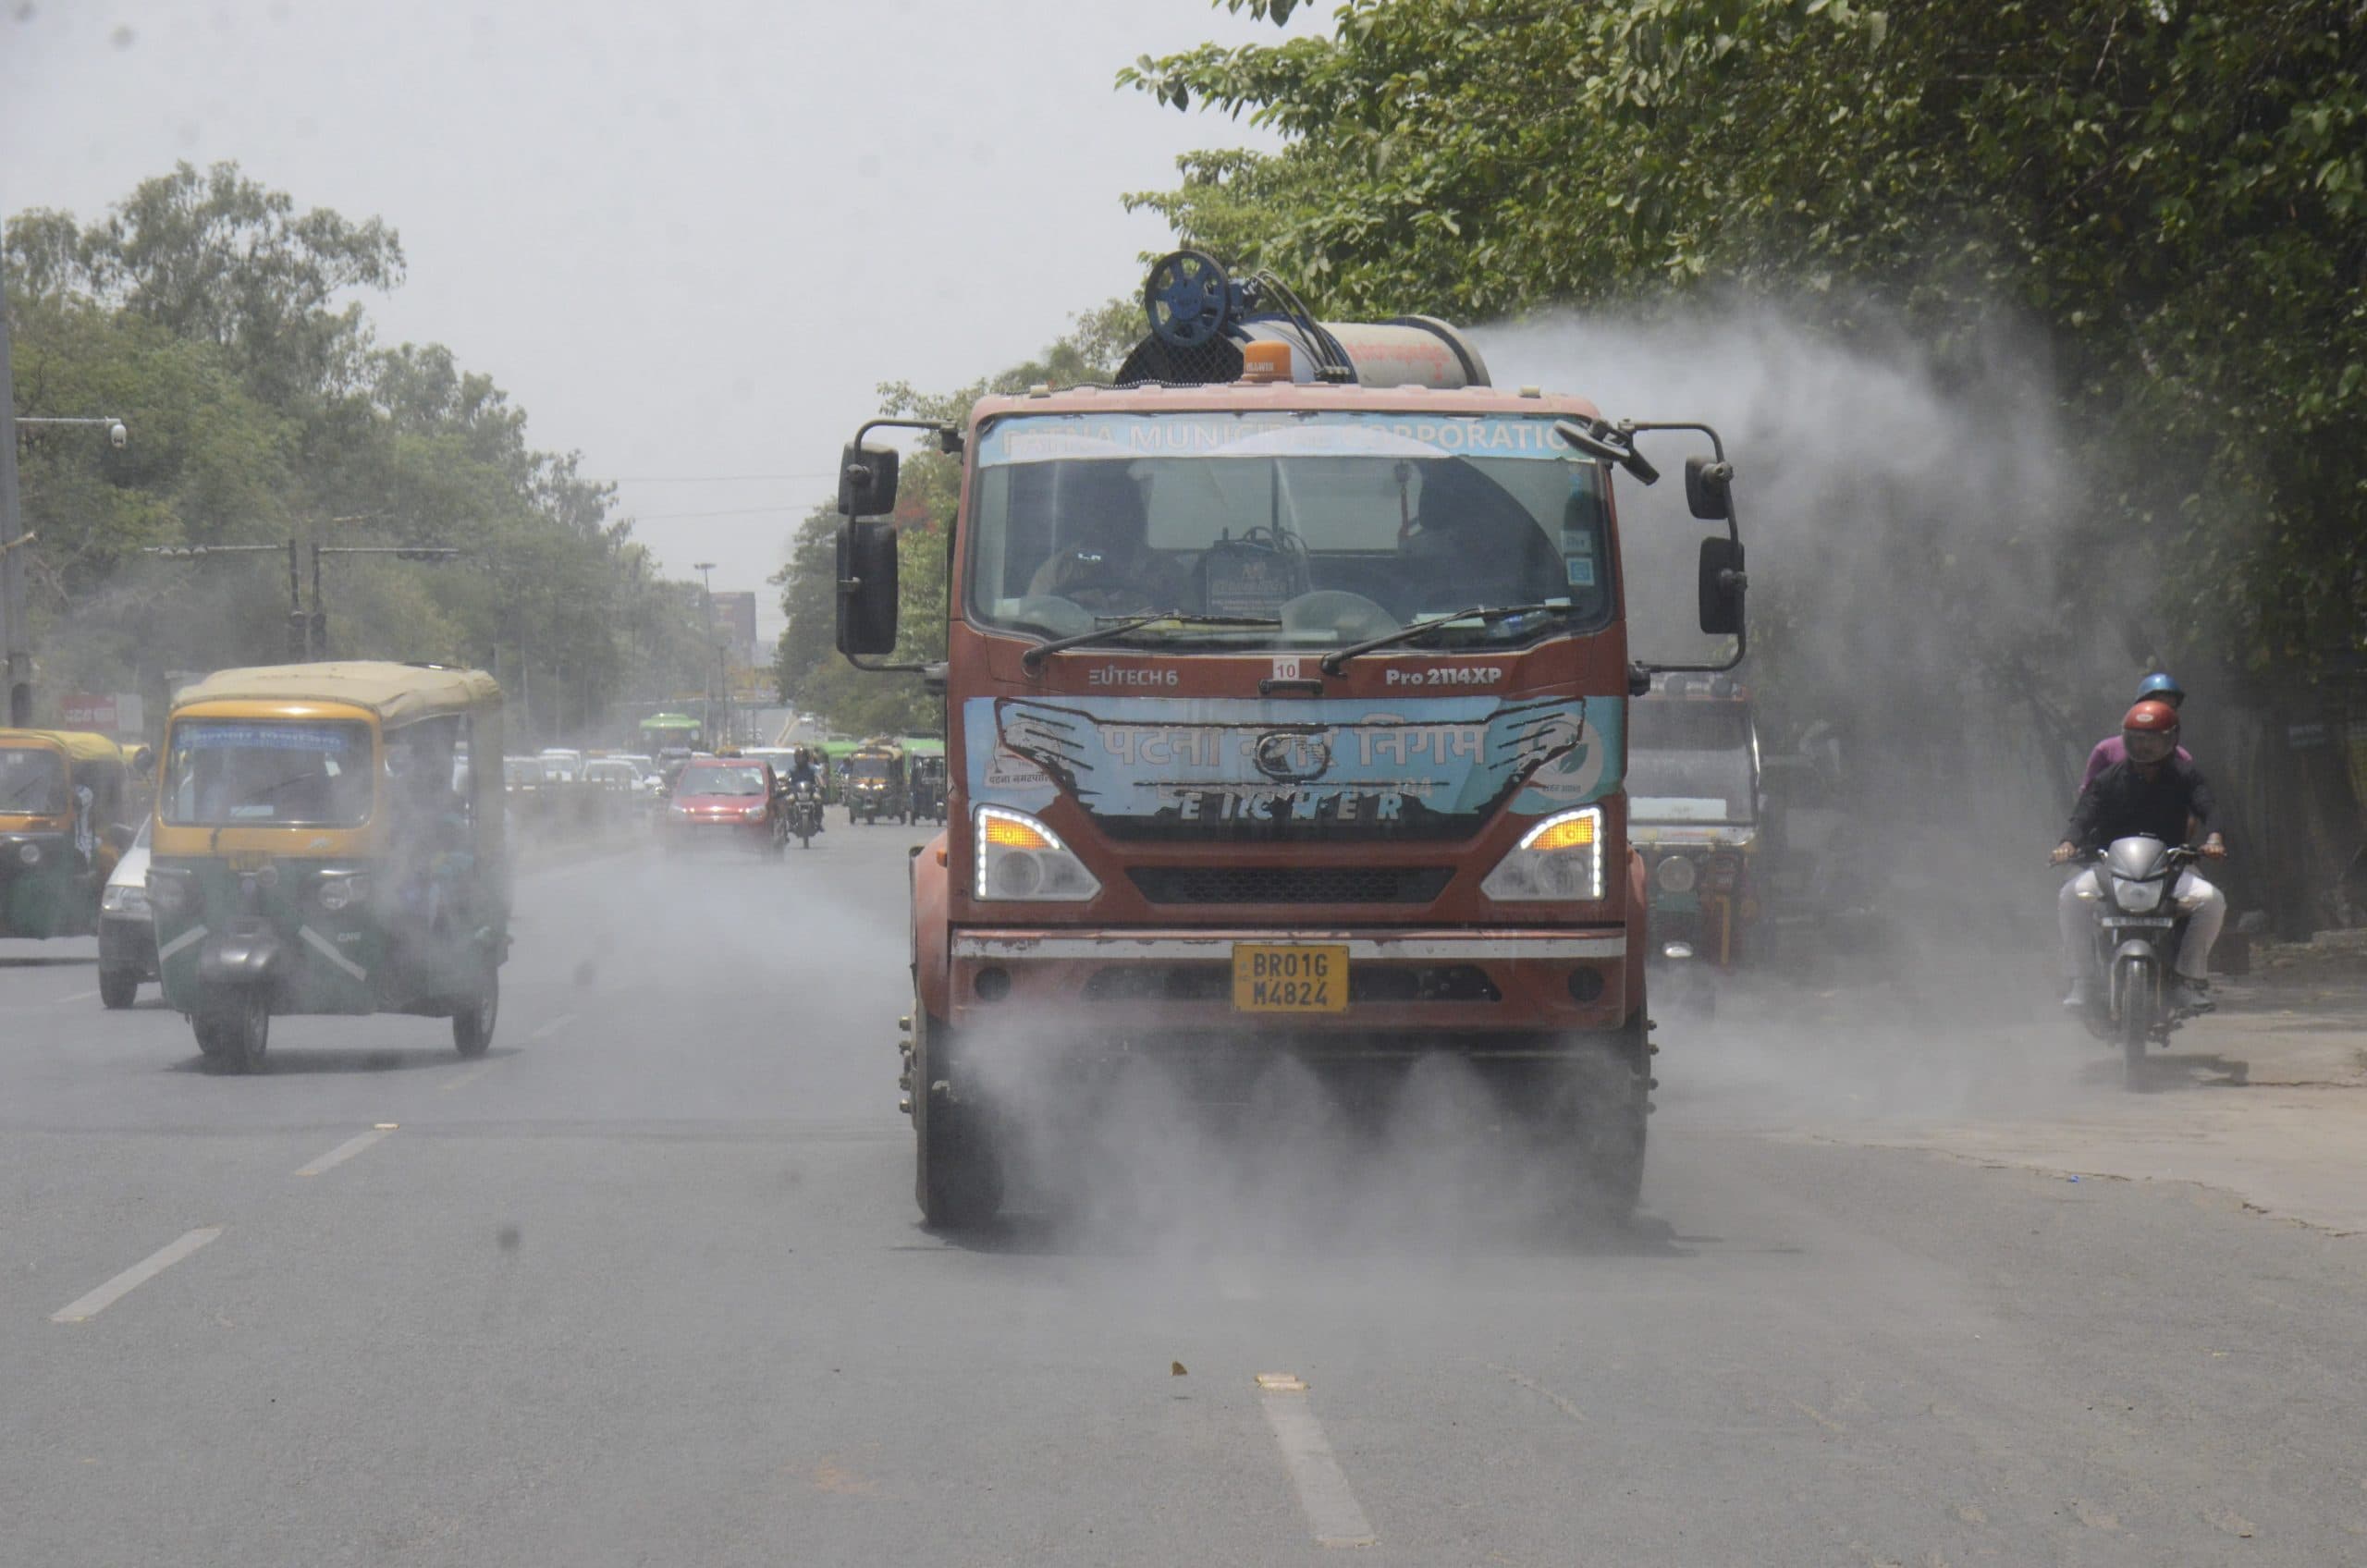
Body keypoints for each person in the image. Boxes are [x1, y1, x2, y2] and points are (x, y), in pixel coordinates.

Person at [2053, 699, 2226, 1011]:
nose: (2144, 748)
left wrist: (2214, 838)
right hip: (2111, 868)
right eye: (2136, 739)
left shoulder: (2185, 776)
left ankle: (2188, 979)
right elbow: (2084, 814)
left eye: (2152, 740)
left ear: (2171, 740)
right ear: (2125, 739)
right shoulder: (2108, 779)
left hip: (2171, 868)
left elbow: (2208, 806)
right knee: (2070, 897)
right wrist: (2068, 843)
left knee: (2211, 901)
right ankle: (2083, 980)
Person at [2079, 672, 2191, 795]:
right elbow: (2088, 802)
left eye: (2171, 708)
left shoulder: (2182, 758)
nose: (2165, 713)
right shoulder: (2106, 751)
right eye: (2158, 706)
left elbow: (2192, 803)